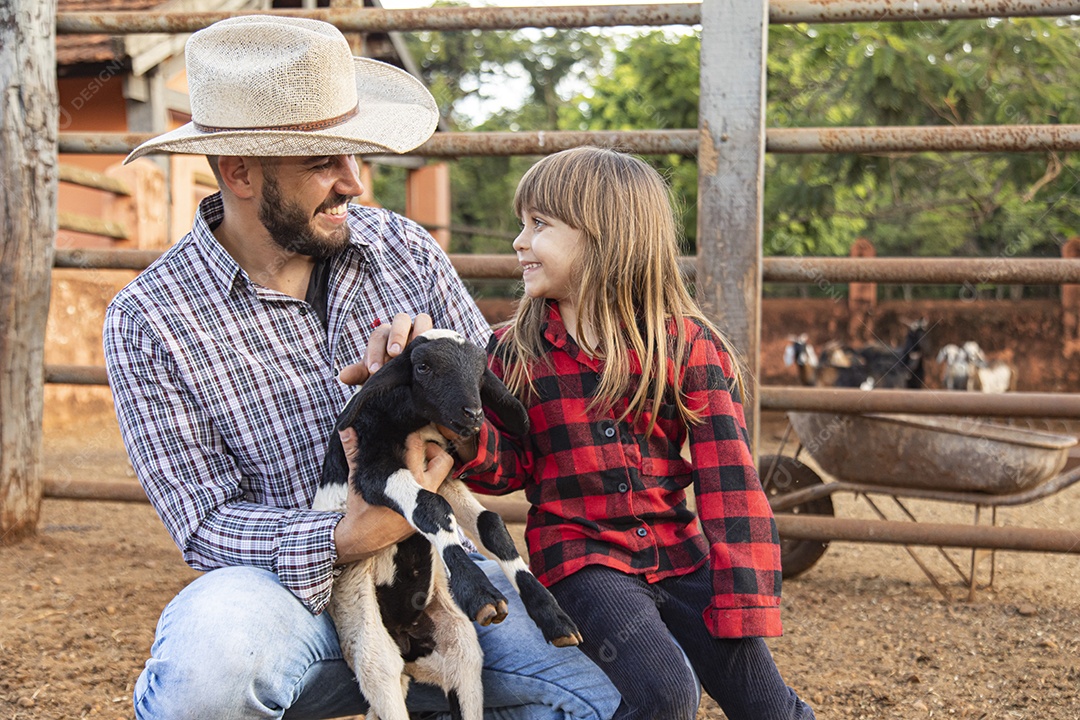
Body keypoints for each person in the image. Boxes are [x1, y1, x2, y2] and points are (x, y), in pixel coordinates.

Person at [103, 16, 620, 720]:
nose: (353, 180)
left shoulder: (406, 247)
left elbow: (504, 441)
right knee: (207, 675)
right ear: (240, 170)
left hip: (437, 573)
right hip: (285, 594)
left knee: (599, 699)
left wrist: (442, 391)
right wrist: (348, 535)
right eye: (324, 162)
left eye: (353, 155)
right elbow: (202, 520)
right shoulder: (150, 318)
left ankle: (421, 688)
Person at [454, 147, 816, 720]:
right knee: (666, 692)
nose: (519, 241)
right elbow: (513, 468)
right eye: (521, 224)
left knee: (769, 704)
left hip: (677, 549)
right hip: (581, 558)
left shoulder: (689, 347)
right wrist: (465, 435)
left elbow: (731, 483)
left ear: (605, 237)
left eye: (539, 225)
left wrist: (742, 598)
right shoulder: (512, 353)